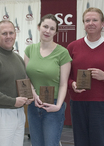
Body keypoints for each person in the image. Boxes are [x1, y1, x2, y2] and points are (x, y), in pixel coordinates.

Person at [67, 7, 104, 146]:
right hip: (78, 103)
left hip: (103, 105)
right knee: (80, 142)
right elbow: (65, 76)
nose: (91, 23)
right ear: (83, 24)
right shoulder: (73, 47)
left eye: (95, 20)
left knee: (100, 142)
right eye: (87, 20)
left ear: (102, 24)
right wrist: (72, 84)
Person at [24, 14, 71, 146]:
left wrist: (58, 106)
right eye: (45, 26)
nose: (47, 31)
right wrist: (33, 94)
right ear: (39, 27)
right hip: (34, 105)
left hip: (53, 106)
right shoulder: (29, 50)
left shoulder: (62, 53)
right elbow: (27, 78)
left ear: (55, 32)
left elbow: (63, 84)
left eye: (52, 28)